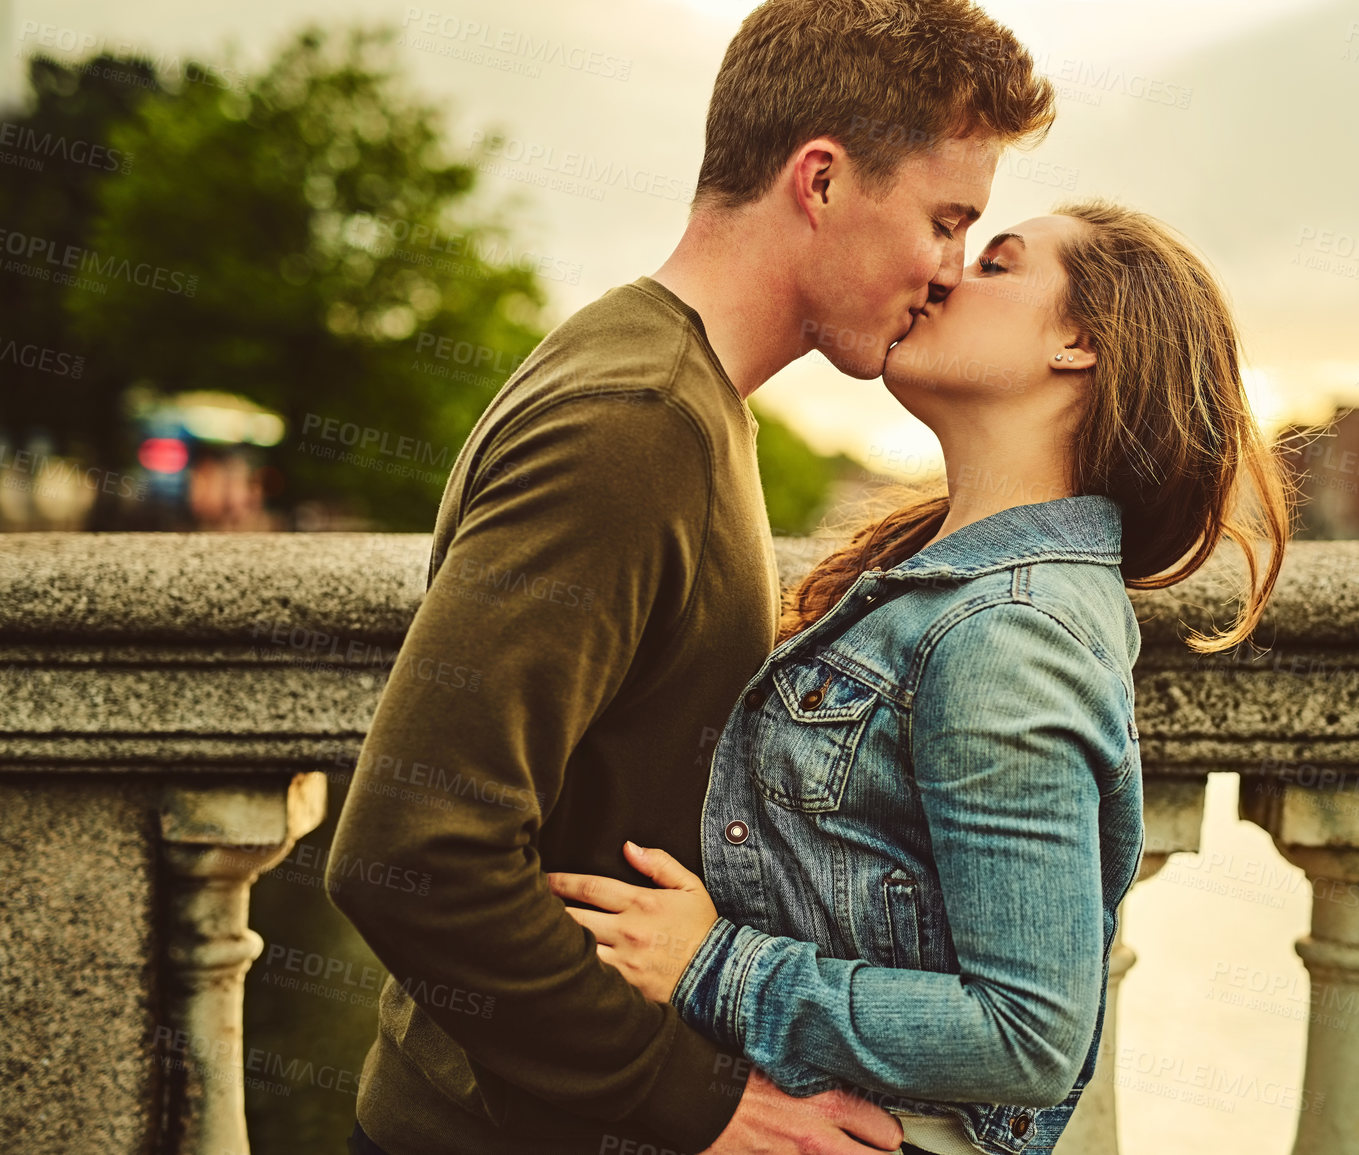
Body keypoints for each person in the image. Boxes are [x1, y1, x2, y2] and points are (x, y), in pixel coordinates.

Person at [324, 2, 1056, 1153]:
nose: (950, 272)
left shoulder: (673, 388)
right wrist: (698, 1101)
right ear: (819, 180)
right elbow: (411, 852)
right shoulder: (639, 423)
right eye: (947, 220)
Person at [546, 201, 1292, 1154]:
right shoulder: (951, 583)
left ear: (1078, 342)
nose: (943, 276)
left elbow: (1027, 1034)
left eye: (996, 264)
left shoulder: (1008, 632)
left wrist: (714, 964)